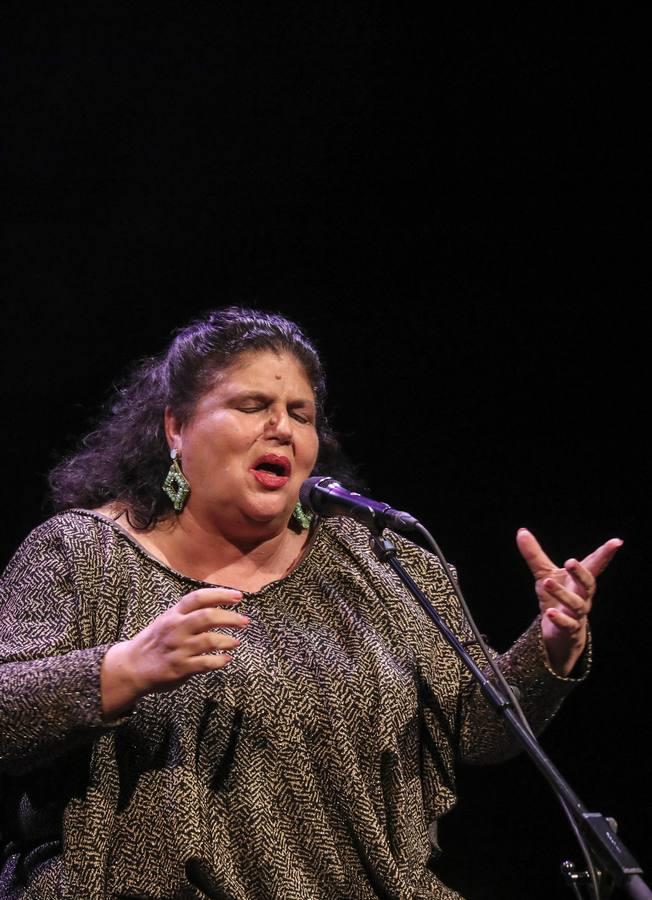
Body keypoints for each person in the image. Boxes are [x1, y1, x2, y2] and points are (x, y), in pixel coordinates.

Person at [0, 306, 621, 900]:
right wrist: (122, 670)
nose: (282, 428)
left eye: (300, 414)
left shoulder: (379, 564)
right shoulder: (82, 554)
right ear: (176, 428)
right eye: (252, 405)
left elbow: (480, 730)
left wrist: (552, 643)